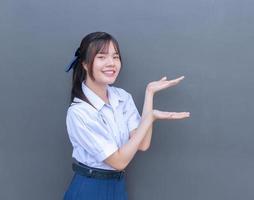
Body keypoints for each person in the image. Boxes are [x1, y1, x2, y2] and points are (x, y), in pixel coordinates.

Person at [63, 31, 190, 200]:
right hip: (89, 189)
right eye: (102, 57)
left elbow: (142, 143)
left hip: (118, 186)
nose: (111, 63)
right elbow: (118, 162)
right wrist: (150, 118)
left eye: (115, 57)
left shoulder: (122, 97)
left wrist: (149, 94)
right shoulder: (79, 112)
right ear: (85, 63)